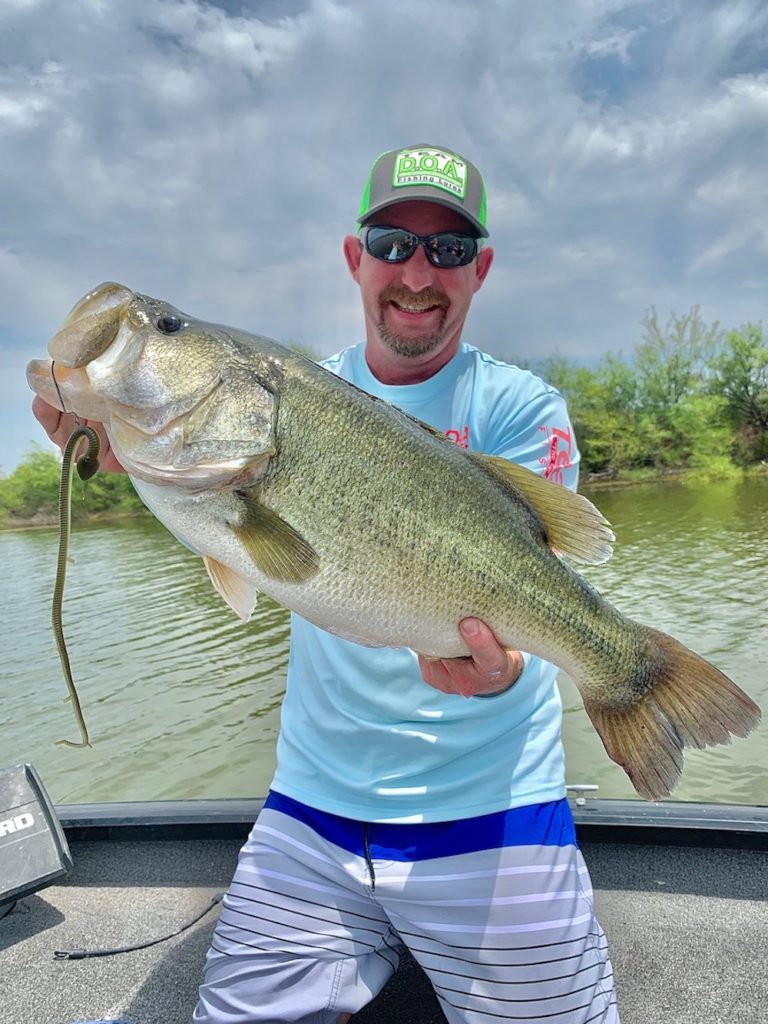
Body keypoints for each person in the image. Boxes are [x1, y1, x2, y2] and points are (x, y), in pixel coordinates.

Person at [34, 144, 619, 1023]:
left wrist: (502, 671)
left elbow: (536, 593)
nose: (416, 272)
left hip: (493, 814)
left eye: (448, 249)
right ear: (356, 257)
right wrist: (107, 431)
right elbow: (226, 518)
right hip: (309, 819)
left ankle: (627, 670)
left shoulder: (521, 407)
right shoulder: (304, 392)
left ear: (480, 269)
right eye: (392, 243)